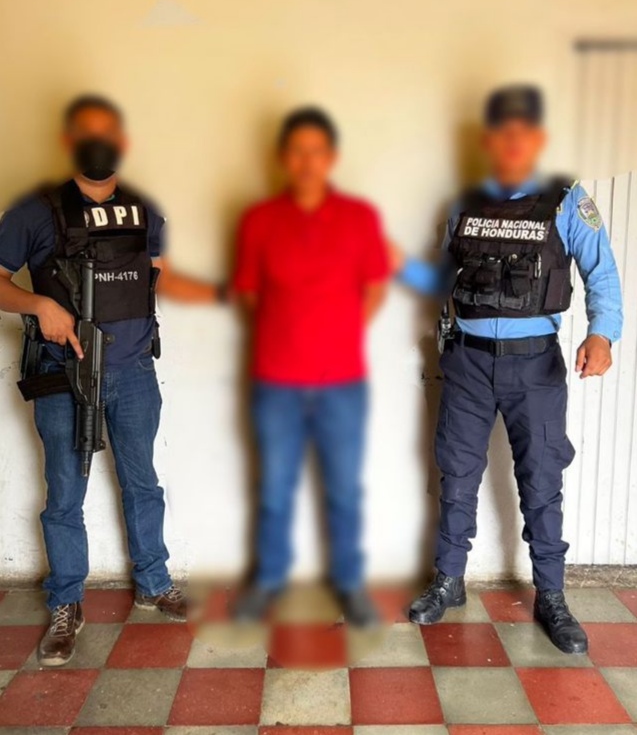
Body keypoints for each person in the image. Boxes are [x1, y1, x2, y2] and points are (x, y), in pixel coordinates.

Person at [392, 85, 623, 653]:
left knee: (542, 482)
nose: (512, 143)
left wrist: (602, 333)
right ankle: (449, 580)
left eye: (522, 133)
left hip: (535, 367)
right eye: (502, 133)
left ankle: (552, 596)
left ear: (538, 140)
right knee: (456, 474)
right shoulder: (464, 203)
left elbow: (601, 272)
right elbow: (441, 278)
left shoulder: (568, 200)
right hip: (467, 362)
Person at [0, 94, 218, 666]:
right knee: (64, 493)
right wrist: (40, 304)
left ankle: (154, 582)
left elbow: (155, 277)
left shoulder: (145, 211)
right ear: (69, 141)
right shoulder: (33, 212)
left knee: (143, 483)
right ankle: (66, 601)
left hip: (134, 372)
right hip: (62, 372)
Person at [232, 106, 390, 626]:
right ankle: (269, 580)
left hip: (343, 383)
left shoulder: (360, 217)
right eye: (297, 151)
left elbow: (375, 288)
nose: (307, 161)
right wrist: (292, 334)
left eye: (316, 151)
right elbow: (250, 294)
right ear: (283, 157)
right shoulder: (259, 220)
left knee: (344, 491)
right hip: (276, 383)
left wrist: (335, 335)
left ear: (331, 157)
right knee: (275, 491)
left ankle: (349, 583)